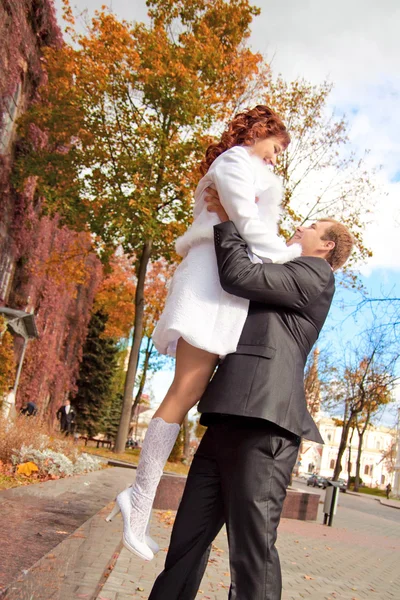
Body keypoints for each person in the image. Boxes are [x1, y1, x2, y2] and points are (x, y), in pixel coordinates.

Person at [111, 106, 304, 560]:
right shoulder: (235, 161)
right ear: (260, 134)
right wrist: (292, 252)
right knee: (185, 389)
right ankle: (137, 501)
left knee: (190, 391)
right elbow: (246, 222)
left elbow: (249, 225)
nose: (278, 158)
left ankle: (138, 500)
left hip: (225, 284)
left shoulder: (243, 166)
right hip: (209, 279)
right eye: (277, 147)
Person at [148, 193, 354, 599]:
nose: (301, 226)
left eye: (312, 226)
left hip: (267, 427)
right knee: (186, 544)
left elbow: (239, 275)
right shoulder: (285, 269)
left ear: (326, 246)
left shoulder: (315, 274)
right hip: (225, 417)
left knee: (251, 555)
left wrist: (228, 220)